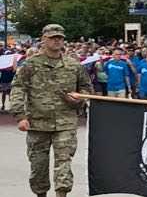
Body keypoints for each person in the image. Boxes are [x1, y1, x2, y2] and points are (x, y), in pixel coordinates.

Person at [10, 24, 92, 197]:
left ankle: (61, 194)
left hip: (66, 122)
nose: (57, 40)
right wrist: (20, 116)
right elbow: (18, 89)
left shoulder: (73, 65)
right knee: (38, 165)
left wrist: (79, 98)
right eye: (53, 37)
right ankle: (41, 194)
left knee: (64, 163)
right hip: (37, 123)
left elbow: (86, 88)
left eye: (60, 38)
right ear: (44, 39)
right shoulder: (31, 64)